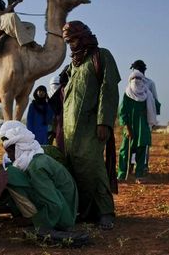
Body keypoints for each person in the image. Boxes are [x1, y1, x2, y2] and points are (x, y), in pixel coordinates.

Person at [61, 20, 121, 229]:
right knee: (76, 168)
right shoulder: (73, 65)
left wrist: (104, 121)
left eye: (74, 39)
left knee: (93, 165)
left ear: (84, 36)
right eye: (68, 41)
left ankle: (105, 211)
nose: (72, 45)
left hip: (91, 125)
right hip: (69, 129)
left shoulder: (101, 56)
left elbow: (109, 88)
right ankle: (85, 212)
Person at [0, 121, 85, 243]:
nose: (9, 156)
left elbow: (55, 204)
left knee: (11, 174)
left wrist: (38, 223)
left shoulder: (37, 167)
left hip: (63, 216)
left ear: (19, 148)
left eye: (10, 152)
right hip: (64, 208)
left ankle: (46, 226)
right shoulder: (34, 158)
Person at [117, 70, 159, 183]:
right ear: (130, 80)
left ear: (142, 81)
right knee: (125, 151)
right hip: (130, 125)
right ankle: (122, 174)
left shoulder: (148, 95)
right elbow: (122, 112)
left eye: (139, 79)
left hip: (143, 126)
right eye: (134, 78)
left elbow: (156, 108)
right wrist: (127, 127)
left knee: (141, 150)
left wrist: (151, 113)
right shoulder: (127, 94)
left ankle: (139, 175)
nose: (136, 81)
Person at [130, 60, 161, 174]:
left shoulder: (150, 83)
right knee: (132, 143)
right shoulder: (131, 82)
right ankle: (131, 165)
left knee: (144, 143)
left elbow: (155, 100)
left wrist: (152, 116)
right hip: (133, 118)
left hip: (145, 117)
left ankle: (143, 166)